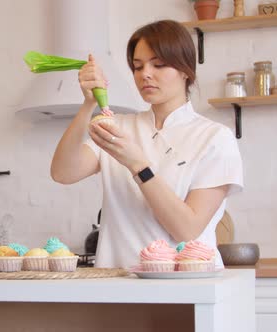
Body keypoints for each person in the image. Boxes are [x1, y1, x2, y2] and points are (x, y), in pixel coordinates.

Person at [50, 20, 243, 268]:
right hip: (118, 284)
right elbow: (62, 173)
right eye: (138, 67)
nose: (145, 75)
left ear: (186, 70)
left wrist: (137, 164)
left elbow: (187, 229)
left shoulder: (215, 137)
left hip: (185, 286)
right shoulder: (118, 126)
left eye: (158, 64)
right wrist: (88, 104)